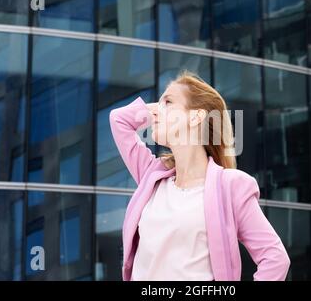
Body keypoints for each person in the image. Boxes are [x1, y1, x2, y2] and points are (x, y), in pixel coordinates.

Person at [109, 70, 290, 281]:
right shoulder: (152, 176)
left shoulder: (231, 187)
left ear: (196, 116)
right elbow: (118, 120)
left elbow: (275, 258)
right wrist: (155, 110)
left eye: (168, 102)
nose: (157, 110)